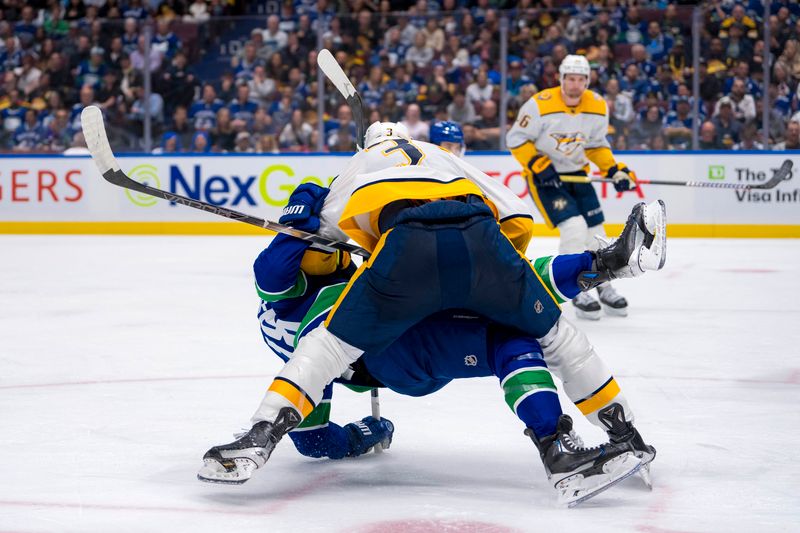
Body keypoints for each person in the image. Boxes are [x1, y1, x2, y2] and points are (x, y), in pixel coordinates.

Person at [199, 122, 665, 503]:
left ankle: (259, 435)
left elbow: (288, 270)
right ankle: (610, 428)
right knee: (548, 337)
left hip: (401, 306)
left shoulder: (355, 183)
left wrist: (299, 213)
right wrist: (501, 274)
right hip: (475, 239)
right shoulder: (436, 155)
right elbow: (515, 214)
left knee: (327, 345)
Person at [506, 54, 637, 320]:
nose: (575, 85)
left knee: (596, 232)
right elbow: (516, 138)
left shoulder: (597, 105)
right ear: (561, 79)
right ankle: (574, 287)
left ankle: (602, 283)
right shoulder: (539, 104)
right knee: (574, 228)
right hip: (546, 179)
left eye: (581, 80)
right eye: (570, 79)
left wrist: (613, 169)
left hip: (577, 174)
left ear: (587, 81)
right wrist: (537, 164)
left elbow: (596, 144)